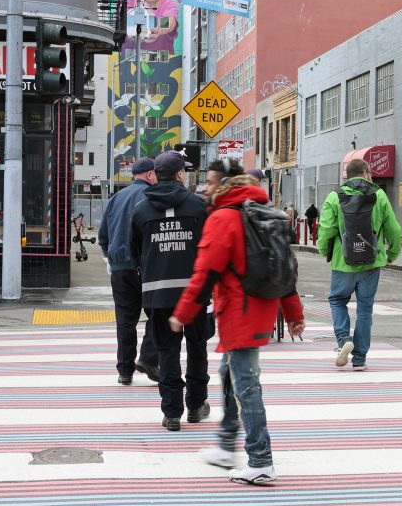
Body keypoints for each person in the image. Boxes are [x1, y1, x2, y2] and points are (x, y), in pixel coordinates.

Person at [169, 160, 305, 485]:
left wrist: (183, 314)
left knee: (246, 385)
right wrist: (293, 314)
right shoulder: (263, 211)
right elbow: (285, 267)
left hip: (238, 314)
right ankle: (227, 443)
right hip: (261, 309)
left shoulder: (224, 218)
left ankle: (260, 460)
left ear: (227, 184)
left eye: (211, 181)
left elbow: (204, 273)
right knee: (230, 374)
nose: (205, 187)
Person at [130, 151, 210, 432]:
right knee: (197, 348)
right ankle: (197, 405)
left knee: (167, 352)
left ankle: (172, 412)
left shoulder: (141, 210)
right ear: (179, 174)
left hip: (158, 293)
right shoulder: (199, 207)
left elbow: (135, 252)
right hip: (194, 293)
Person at [317, 158, 402, 370]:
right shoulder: (379, 195)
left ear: (347, 175)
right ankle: (360, 359)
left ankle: (344, 339)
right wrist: (392, 253)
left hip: (343, 262)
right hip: (371, 263)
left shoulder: (335, 196)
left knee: (337, 301)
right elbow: (393, 229)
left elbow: (326, 230)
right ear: (365, 173)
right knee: (365, 309)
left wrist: (324, 251)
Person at [98, 158, 159, 385]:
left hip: (119, 268)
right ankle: (147, 357)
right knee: (158, 314)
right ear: (150, 175)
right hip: (145, 268)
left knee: (125, 320)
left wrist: (111, 258)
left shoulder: (116, 199)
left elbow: (103, 235)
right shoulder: (151, 198)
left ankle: (125, 371)